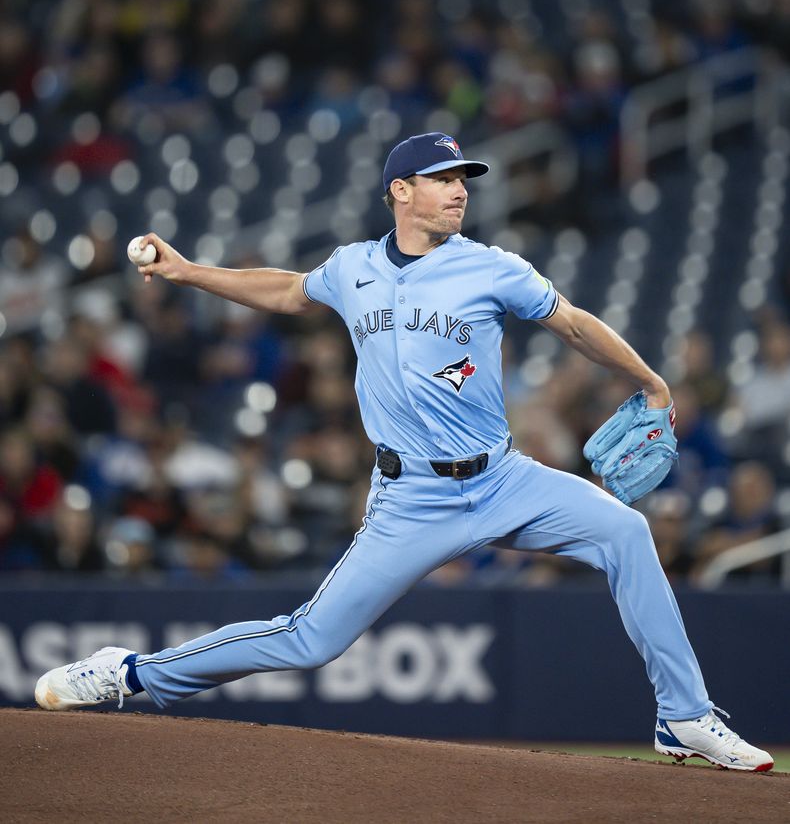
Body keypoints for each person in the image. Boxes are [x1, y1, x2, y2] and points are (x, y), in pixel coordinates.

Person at [35, 132, 773, 772]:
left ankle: (683, 717)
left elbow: (574, 324)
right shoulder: (353, 267)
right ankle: (129, 674)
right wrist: (190, 271)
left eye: (463, 181)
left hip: (504, 477)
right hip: (412, 499)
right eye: (444, 180)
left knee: (626, 531)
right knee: (310, 641)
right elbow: (290, 290)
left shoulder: (493, 266)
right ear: (400, 191)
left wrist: (647, 379)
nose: (459, 192)